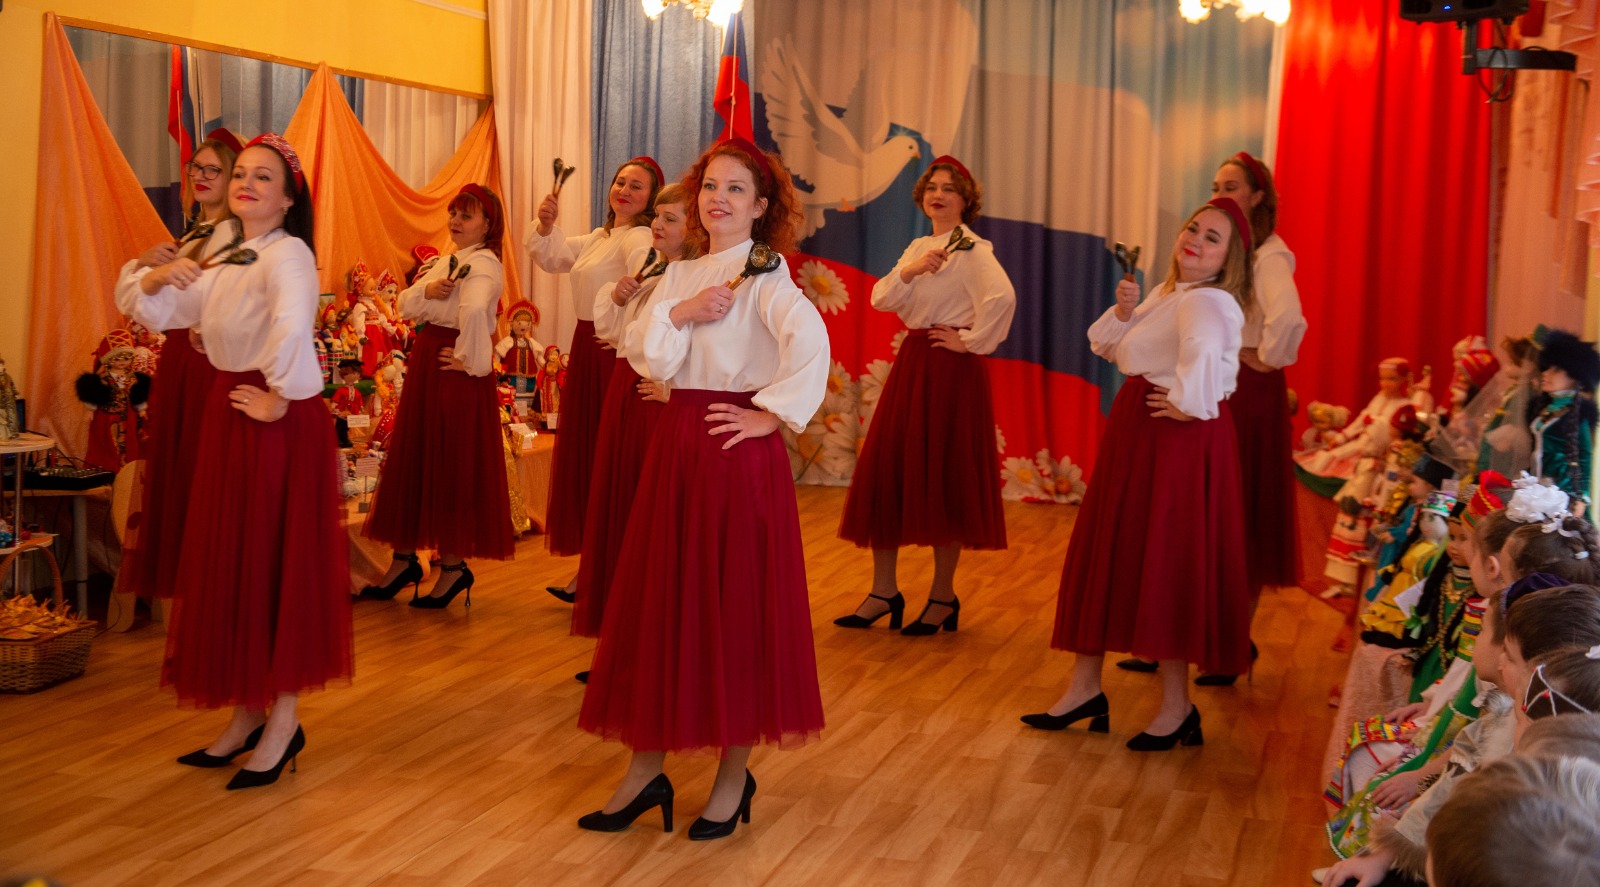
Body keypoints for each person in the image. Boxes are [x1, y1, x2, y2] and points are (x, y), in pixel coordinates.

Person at [575, 138, 829, 840]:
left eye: (736, 189)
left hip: (733, 454)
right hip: (678, 450)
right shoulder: (683, 272)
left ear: (761, 205)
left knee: (736, 613)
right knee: (662, 609)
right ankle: (643, 771)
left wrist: (770, 413)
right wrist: (681, 313)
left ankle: (731, 777)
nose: (719, 199)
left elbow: (810, 342)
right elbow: (648, 356)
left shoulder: (766, 271)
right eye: (711, 186)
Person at [126, 133, 350, 789]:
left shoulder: (290, 254)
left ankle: (282, 720)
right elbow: (171, 309)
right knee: (235, 563)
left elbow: (292, 325)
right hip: (233, 412)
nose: (246, 184)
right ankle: (247, 712)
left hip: (272, 417)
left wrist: (282, 395)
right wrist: (153, 276)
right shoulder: (229, 246)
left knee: (274, 565)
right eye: (241, 173)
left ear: (288, 198)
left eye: (263, 176)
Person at [1021, 197, 1254, 750]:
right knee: (1115, 552)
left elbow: (1208, 358)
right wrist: (1126, 312)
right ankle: (1085, 689)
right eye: (1193, 228)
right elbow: (1109, 346)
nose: (1196, 239)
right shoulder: (1171, 293)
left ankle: (1177, 707)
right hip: (1142, 432)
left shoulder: (1210, 300)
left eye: (1213, 237)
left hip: (1170, 440)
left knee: (1164, 561)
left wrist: (1190, 403)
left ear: (1230, 258)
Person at [834, 156, 1015, 635]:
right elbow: (882, 298)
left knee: (945, 478)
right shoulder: (919, 246)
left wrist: (969, 341)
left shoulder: (972, 249)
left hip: (950, 372)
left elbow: (1003, 299)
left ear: (965, 199)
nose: (938, 195)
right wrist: (912, 271)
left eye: (949, 189)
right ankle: (884, 592)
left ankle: (942, 596)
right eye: (932, 187)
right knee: (889, 472)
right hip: (914, 363)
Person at [359, 184, 514, 608]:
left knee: (449, 465)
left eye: (466, 215)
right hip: (432, 365)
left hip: (452, 372)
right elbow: (406, 305)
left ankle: (452, 567)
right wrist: (427, 293)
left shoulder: (484, 264)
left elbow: (477, 311)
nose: (455, 222)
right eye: (453, 214)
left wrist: (471, 359)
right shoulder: (448, 260)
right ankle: (404, 559)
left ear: (488, 224)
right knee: (417, 458)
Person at [569, 183, 696, 667]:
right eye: (657, 217)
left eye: (669, 219)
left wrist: (676, 389)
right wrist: (619, 298)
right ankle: (623, 645)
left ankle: (648, 648)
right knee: (621, 515)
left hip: (652, 405)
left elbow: (702, 345)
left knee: (647, 523)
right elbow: (615, 333)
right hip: (627, 392)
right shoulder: (655, 269)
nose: (657, 225)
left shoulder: (692, 278)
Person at [113, 131, 241, 603]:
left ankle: (216, 602)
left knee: (206, 485)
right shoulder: (197, 234)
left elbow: (220, 302)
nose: (201, 177)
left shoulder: (231, 235)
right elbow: (143, 304)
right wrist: (146, 267)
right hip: (183, 367)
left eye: (214, 170)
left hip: (204, 371)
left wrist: (151, 279)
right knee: (186, 486)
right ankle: (201, 606)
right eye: (196, 168)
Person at [525, 157, 661, 600]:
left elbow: (652, 277)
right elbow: (553, 256)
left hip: (606, 353)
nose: (624, 190)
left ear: (651, 198)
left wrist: (620, 326)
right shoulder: (601, 237)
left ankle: (609, 573)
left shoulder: (638, 236)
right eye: (620, 182)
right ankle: (597, 569)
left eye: (636, 186)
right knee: (593, 460)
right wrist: (547, 225)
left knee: (607, 461)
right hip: (587, 349)